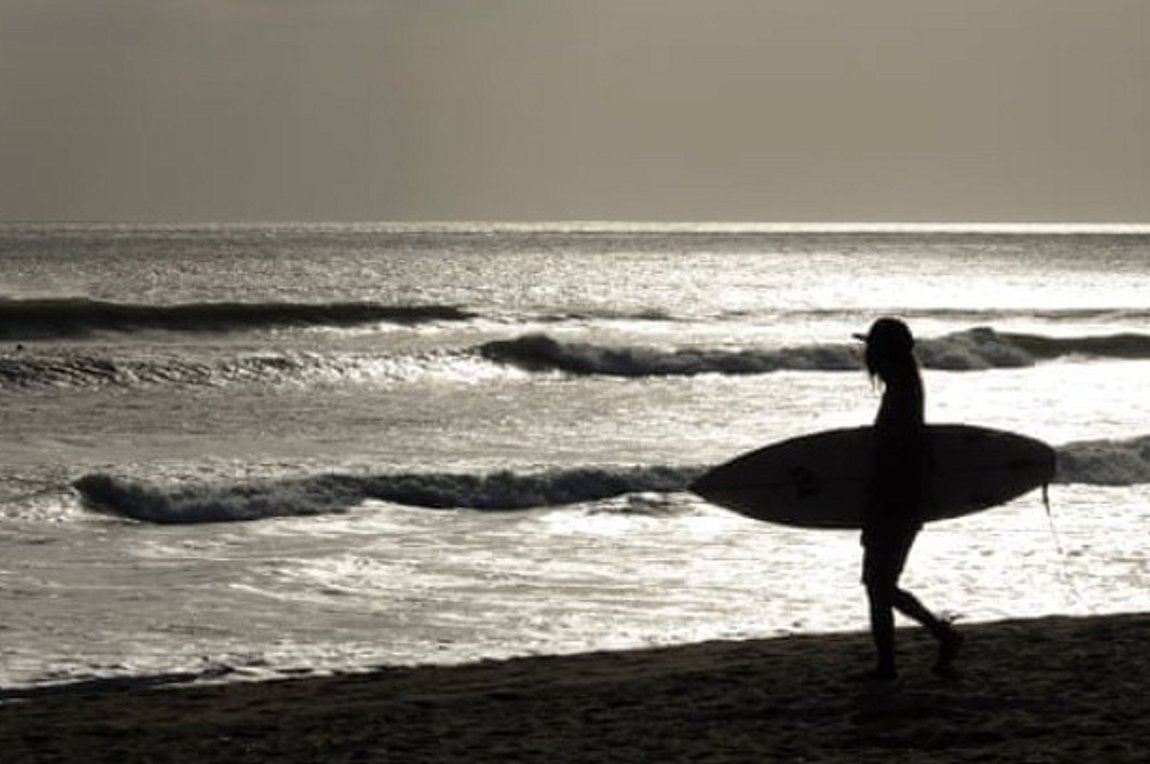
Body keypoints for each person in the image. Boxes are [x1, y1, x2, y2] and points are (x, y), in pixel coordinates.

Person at [853, 317, 962, 680]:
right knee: (879, 584)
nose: (868, 356)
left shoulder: (901, 395)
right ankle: (939, 636)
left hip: (895, 501)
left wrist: (876, 500)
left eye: (872, 348)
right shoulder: (905, 388)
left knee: (878, 584)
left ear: (884, 351)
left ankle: (896, 661)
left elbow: (899, 455)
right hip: (903, 500)